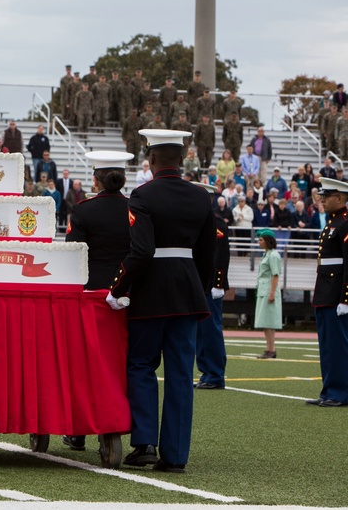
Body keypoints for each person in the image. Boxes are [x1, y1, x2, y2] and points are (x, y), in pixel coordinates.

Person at [109, 128, 215, 473]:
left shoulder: (142, 195)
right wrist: (197, 290)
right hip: (187, 293)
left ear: (150, 159)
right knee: (182, 373)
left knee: (141, 365)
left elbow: (142, 251)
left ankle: (145, 444)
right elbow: (207, 255)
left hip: (151, 292)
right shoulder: (201, 197)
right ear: (182, 159)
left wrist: (119, 288)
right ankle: (176, 455)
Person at [62, 150, 133, 452]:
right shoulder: (135, 209)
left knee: (87, 362)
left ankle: (79, 430)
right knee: (128, 365)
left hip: (93, 293)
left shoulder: (84, 210)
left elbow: (72, 253)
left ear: (95, 180)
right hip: (129, 292)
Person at [306, 177, 348, 407]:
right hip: (325, 292)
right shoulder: (333, 222)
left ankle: (340, 392)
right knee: (327, 346)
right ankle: (329, 390)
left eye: (327, 196)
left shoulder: (344, 223)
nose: (322, 199)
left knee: (338, 345)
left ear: (340, 198)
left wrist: (346, 298)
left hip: (336, 295)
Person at [194, 184, 231, 390]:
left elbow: (221, 256)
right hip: (199, 284)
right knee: (200, 332)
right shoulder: (196, 222)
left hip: (211, 286)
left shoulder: (217, 224)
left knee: (211, 331)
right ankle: (206, 372)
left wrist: (218, 283)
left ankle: (215, 374)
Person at [253, 228, 282, 359]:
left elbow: (275, 275)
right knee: (265, 321)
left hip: (269, 290)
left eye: (261, 240)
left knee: (269, 321)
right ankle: (269, 349)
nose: (259, 242)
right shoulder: (267, 254)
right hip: (263, 290)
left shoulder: (274, 255)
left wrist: (272, 293)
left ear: (267, 241)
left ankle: (271, 349)